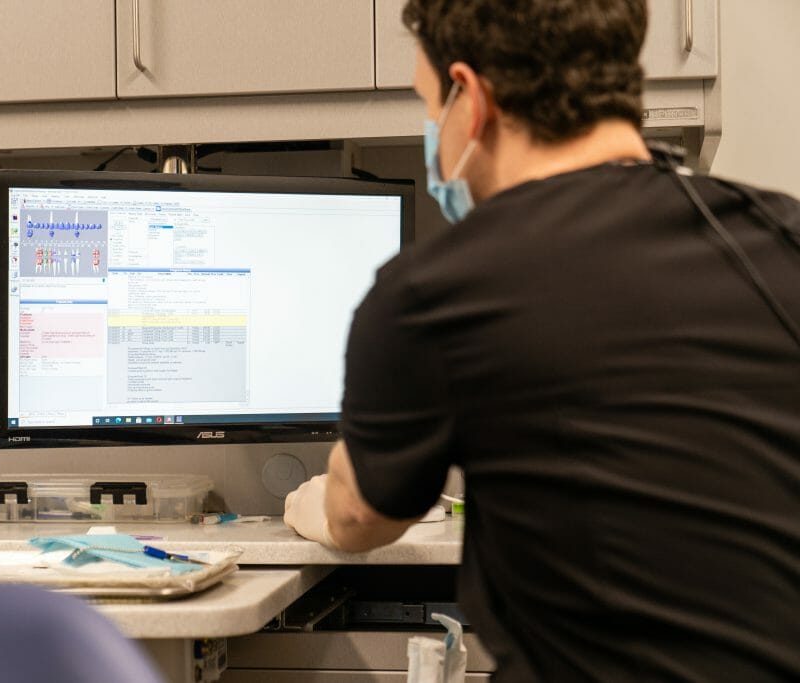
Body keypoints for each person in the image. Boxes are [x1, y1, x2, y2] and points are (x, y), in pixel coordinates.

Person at [283, 1, 800, 681]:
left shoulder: (435, 288)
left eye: (432, 107)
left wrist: (305, 504)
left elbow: (358, 514)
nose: (435, 135)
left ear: (471, 96)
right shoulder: (780, 236)